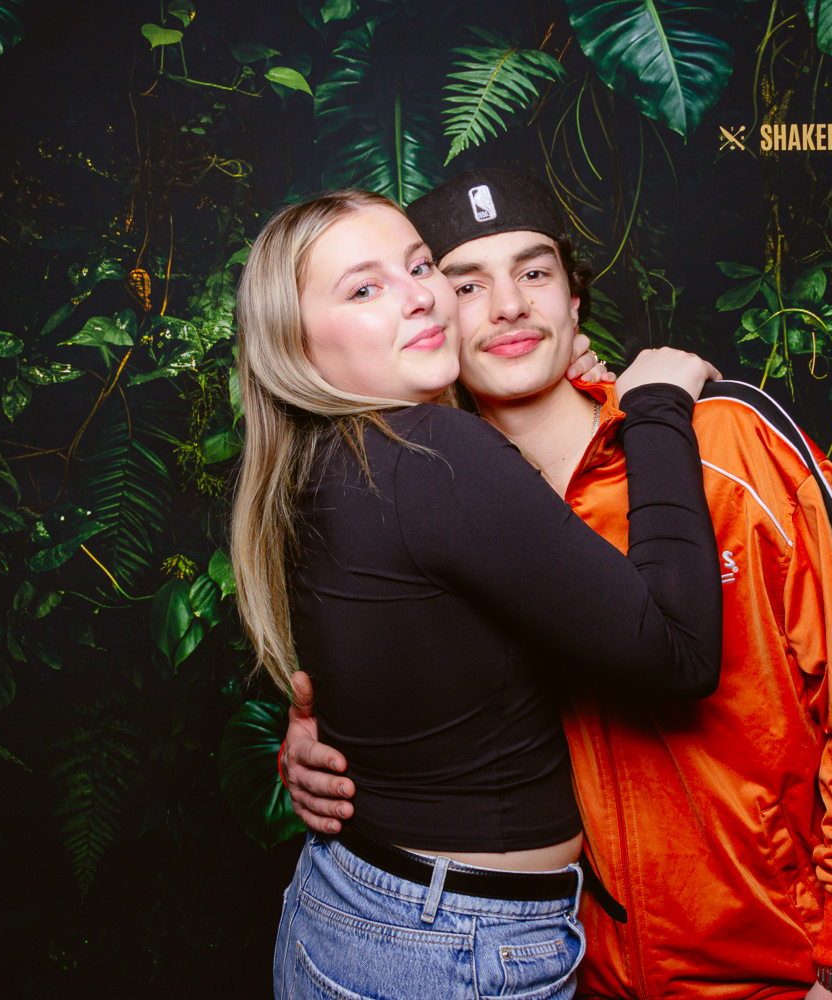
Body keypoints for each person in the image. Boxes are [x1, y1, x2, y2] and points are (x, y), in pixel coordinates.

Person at [280, 170, 832, 1000]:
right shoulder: (435, 497)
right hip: (570, 968)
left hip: (776, 969)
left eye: (535, 273)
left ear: (574, 301)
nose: (508, 306)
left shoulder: (727, 444)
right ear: (430, 316)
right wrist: (331, 746)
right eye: (466, 284)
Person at [231, 188, 724, 1000]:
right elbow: (680, 652)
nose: (420, 296)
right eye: (365, 288)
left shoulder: (321, 458)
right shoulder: (434, 455)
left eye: (420, 267)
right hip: (450, 948)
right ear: (296, 346)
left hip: (351, 908)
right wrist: (655, 408)